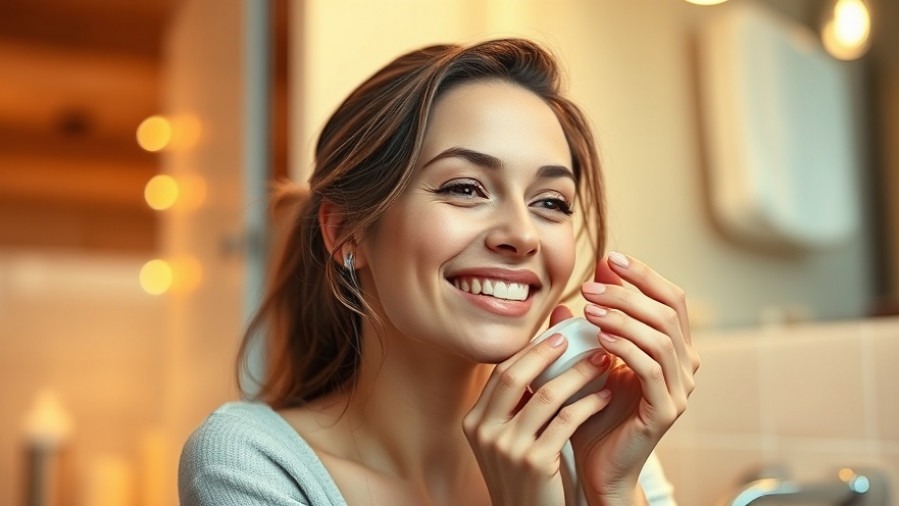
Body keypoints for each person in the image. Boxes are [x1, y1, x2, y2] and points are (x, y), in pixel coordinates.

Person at [179, 38, 700, 506]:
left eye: (550, 201)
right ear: (347, 232)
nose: (522, 234)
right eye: (465, 188)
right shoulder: (250, 464)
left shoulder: (591, 440)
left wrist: (611, 491)